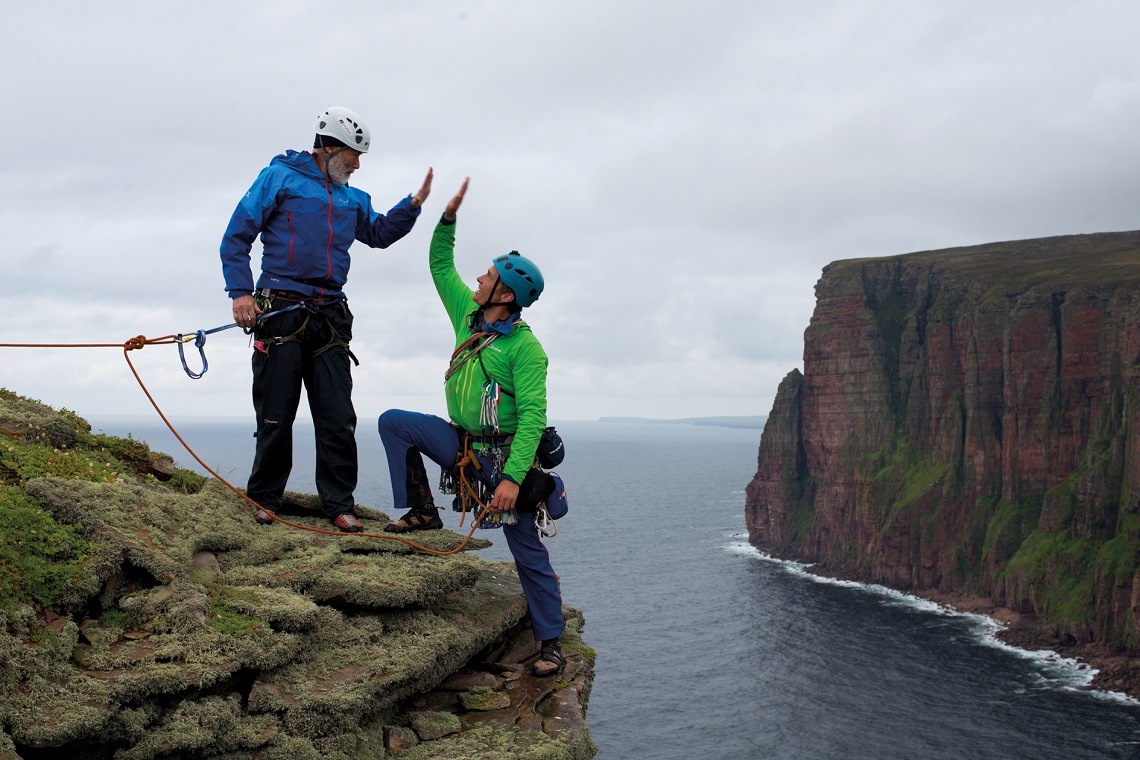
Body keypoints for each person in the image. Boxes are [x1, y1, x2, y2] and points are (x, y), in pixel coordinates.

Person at [377, 178, 567, 677]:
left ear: (505, 293)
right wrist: (447, 219)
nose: (477, 282)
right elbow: (440, 265)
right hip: (463, 444)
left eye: (486, 278)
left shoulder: (525, 350)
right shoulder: (470, 319)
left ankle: (550, 643)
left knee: (526, 550)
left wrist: (509, 480)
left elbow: (533, 419)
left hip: (504, 460)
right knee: (395, 424)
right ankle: (421, 512)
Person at [219, 106, 432, 533]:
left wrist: (412, 206)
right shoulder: (278, 177)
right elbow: (236, 236)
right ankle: (264, 500)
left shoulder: (354, 197)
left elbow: (378, 234)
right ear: (330, 148)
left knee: (338, 417)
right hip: (279, 309)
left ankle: (339, 505)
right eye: (353, 155)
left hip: (331, 315)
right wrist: (241, 293)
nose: (356, 165)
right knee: (276, 413)